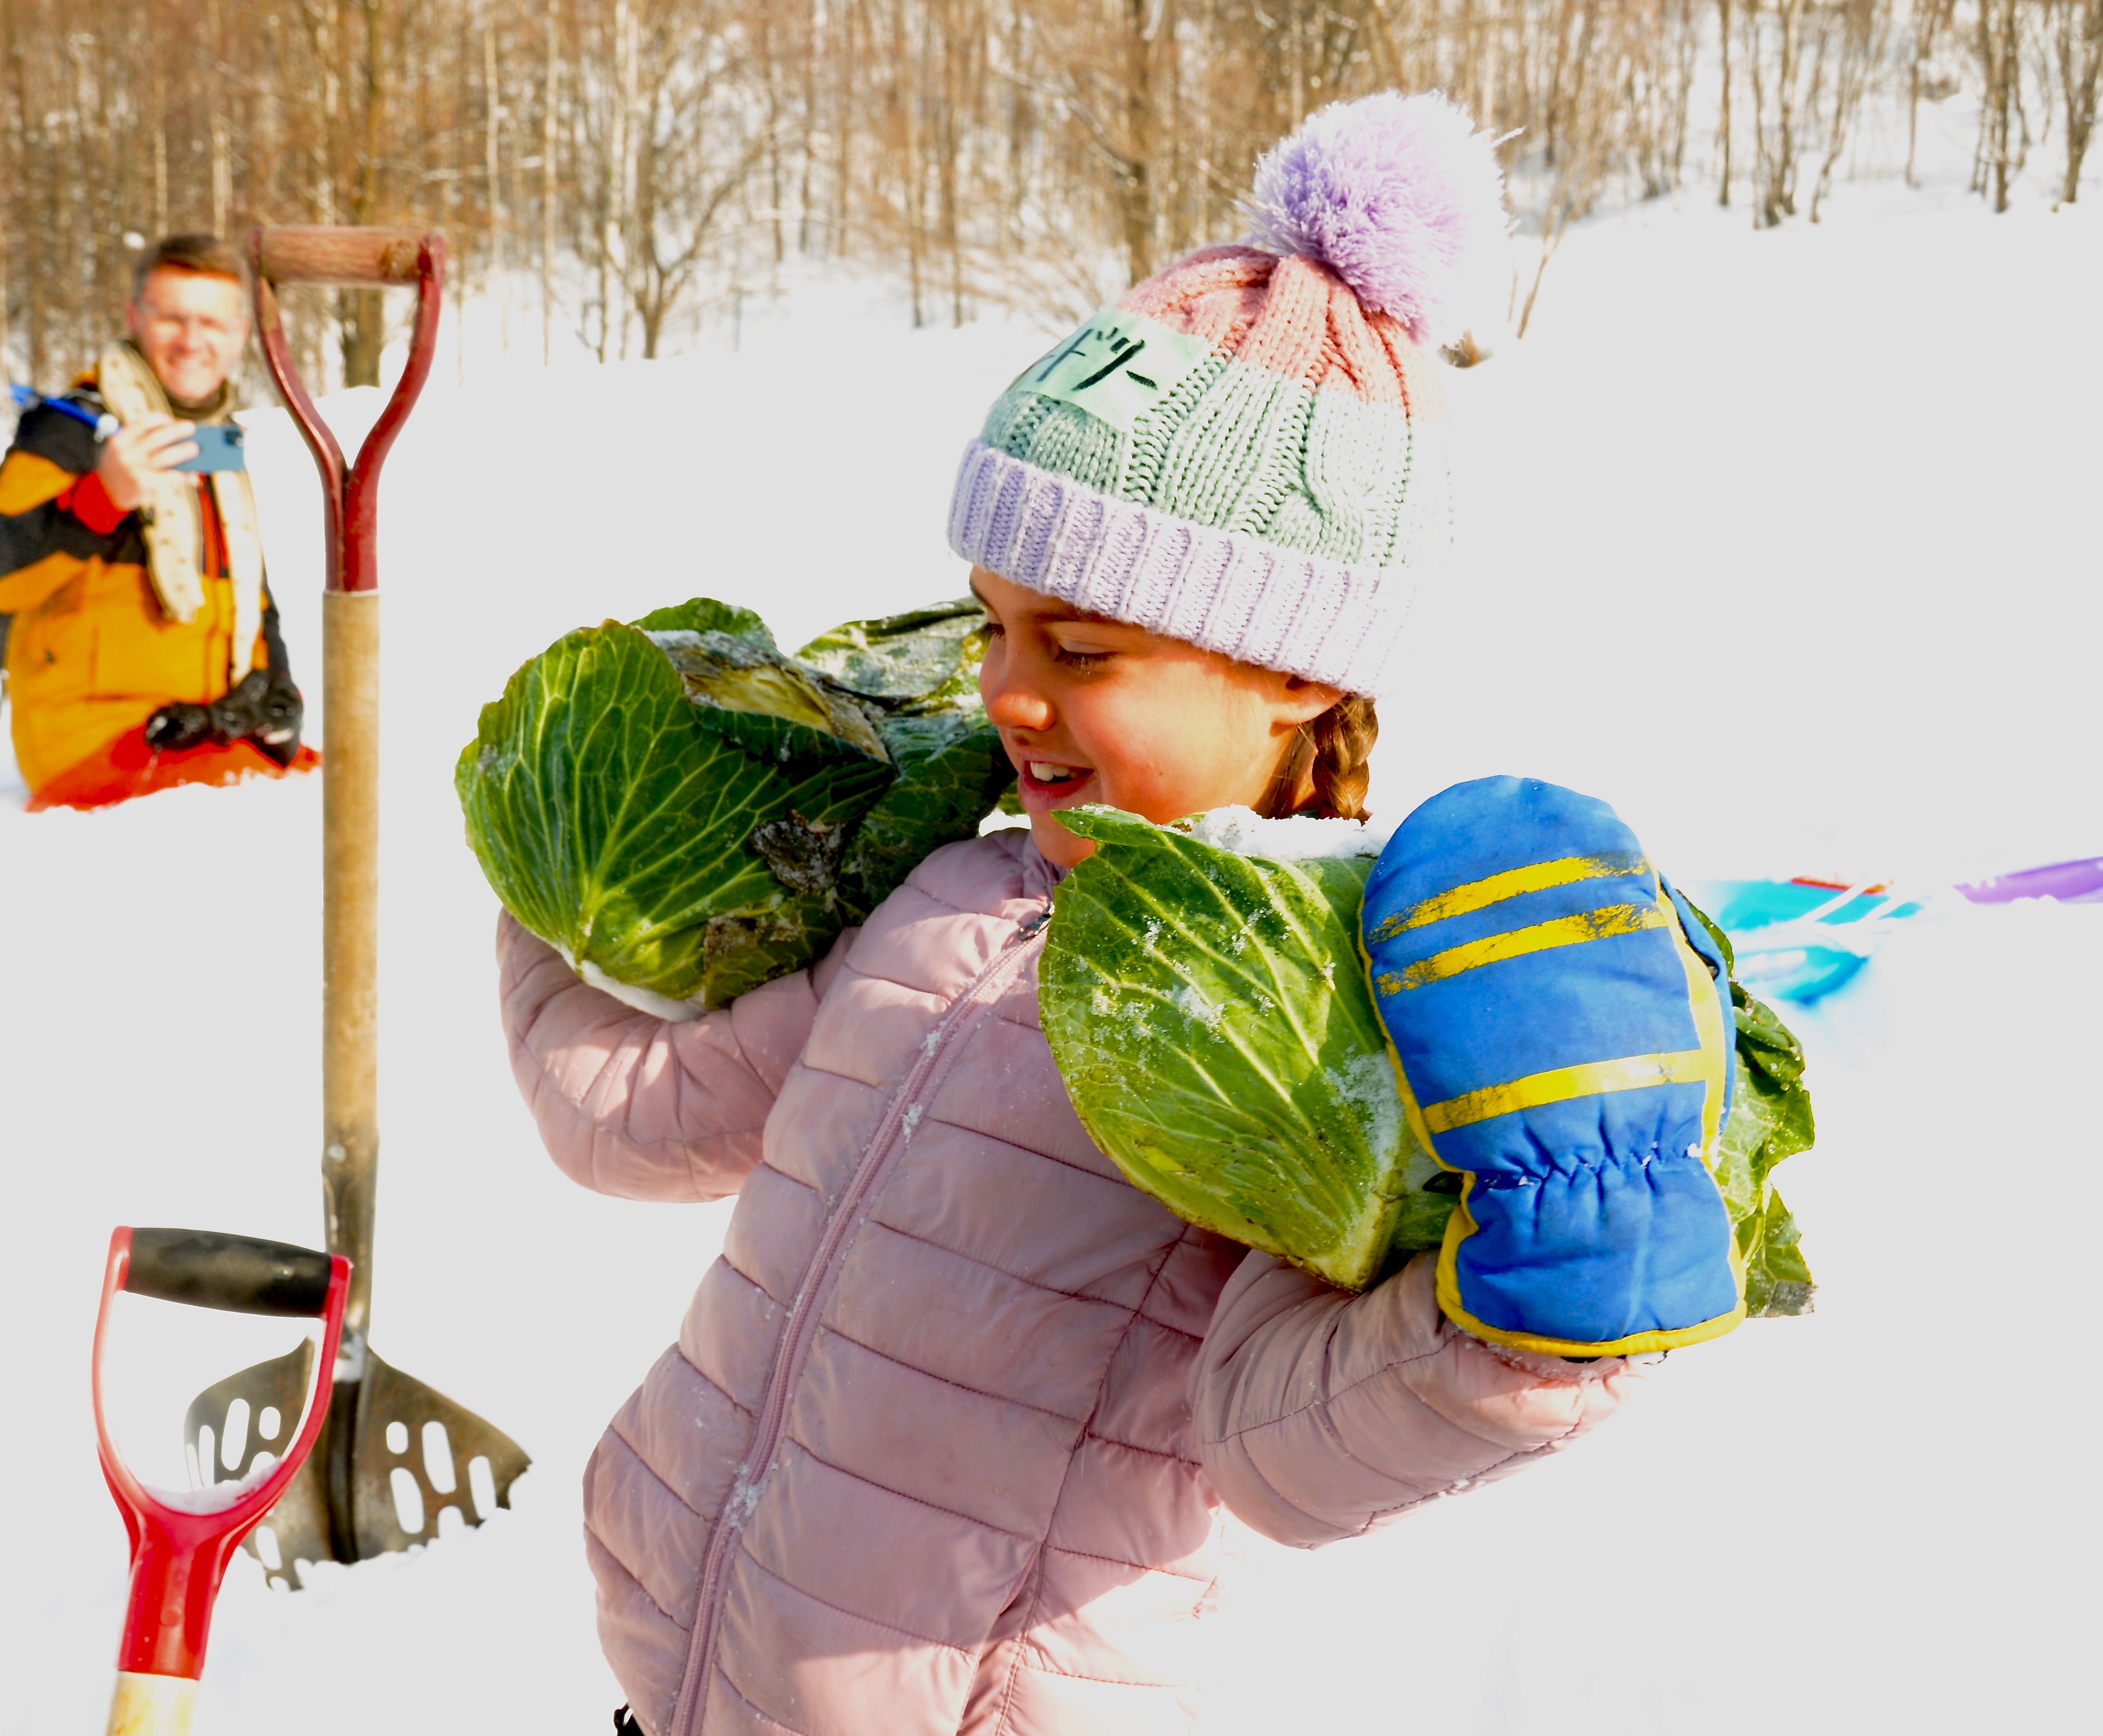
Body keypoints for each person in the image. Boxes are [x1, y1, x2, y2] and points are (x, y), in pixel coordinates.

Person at [496, 95, 1724, 1736]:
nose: (1003, 690)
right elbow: (636, 1118)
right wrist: (548, 868)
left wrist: (1517, 1336)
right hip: (673, 1684)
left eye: (1078, 649)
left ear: (1294, 670)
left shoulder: (1287, 1017)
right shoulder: (940, 902)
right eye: (996, 625)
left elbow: (1278, 1440)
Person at [0, 233, 314, 809]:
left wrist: (276, 688)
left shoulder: (216, 443)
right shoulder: (70, 429)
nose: (192, 341)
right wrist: (101, 497)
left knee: (339, 796)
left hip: (202, 730)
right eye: (172, 319)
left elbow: (251, 595)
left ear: (240, 335)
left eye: (212, 323)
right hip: (92, 737)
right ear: (136, 317)